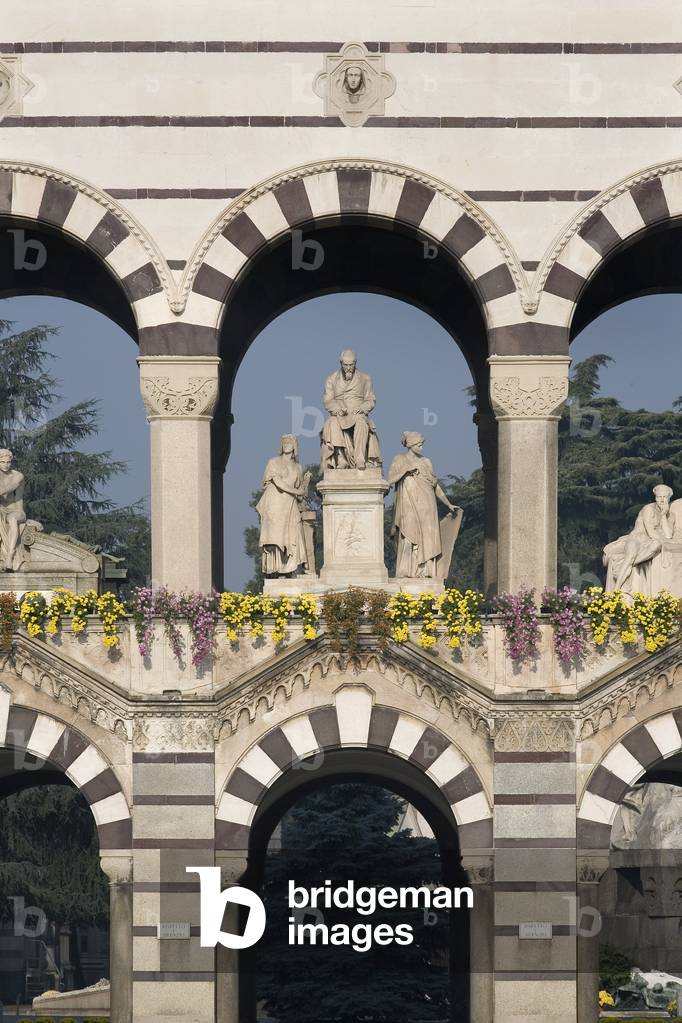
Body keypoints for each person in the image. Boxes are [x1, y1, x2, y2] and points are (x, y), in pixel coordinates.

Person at [387, 432, 461, 579]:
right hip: (407, 505)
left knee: (427, 537)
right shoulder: (399, 459)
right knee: (408, 536)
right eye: (418, 445)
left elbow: (435, 486)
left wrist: (448, 504)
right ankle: (406, 572)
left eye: (421, 445)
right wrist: (405, 471)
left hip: (428, 506)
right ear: (410, 445)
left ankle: (425, 572)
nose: (421, 447)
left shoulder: (426, 462)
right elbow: (390, 480)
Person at [603, 484, 675, 593]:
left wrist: (664, 515)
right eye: (659, 497)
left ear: (669, 498)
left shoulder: (671, 515)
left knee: (657, 544)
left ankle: (622, 567)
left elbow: (668, 535)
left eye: (664, 497)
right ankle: (616, 589)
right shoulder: (648, 509)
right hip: (637, 538)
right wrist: (664, 540)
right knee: (631, 554)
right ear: (655, 497)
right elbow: (650, 532)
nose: (661, 499)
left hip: (651, 542)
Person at [256, 435, 311, 577]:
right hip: (274, 503)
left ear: (295, 446)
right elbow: (278, 482)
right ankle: (276, 570)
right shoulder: (273, 462)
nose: (286, 444)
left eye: (290, 442)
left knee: (293, 533)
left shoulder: (299, 467)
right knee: (275, 537)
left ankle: (290, 569)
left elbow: (301, 493)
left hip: (290, 504)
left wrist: (305, 483)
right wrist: (296, 491)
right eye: (284, 442)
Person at [320, 349, 381, 471]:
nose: (348, 368)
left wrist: (362, 408)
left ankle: (359, 459)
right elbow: (328, 400)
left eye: (351, 365)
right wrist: (337, 409)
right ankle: (340, 458)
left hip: (357, 412)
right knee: (332, 422)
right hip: (340, 413)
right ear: (341, 363)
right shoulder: (331, 379)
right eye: (346, 365)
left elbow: (371, 399)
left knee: (361, 422)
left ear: (355, 363)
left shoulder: (365, 378)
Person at [0, 448, 27, 571]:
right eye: (2, 462)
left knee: (12, 518)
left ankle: (10, 556)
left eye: (8, 462)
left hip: (16, 510)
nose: (6, 465)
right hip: (1, 510)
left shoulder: (18, 476)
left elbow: (18, 499)